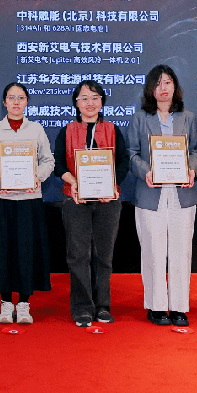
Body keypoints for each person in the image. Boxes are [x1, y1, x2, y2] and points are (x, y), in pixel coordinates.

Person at [125, 65, 197, 327]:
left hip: (182, 194)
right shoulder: (139, 118)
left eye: (167, 82)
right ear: (150, 89)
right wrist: (146, 172)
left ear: (175, 86)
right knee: (153, 252)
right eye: (157, 83)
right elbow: (131, 153)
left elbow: (195, 151)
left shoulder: (188, 117)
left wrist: (192, 170)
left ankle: (179, 307)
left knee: (181, 252)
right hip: (150, 194)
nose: (163, 88)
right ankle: (156, 306)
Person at [53, 79, 130, 327]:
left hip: (108, 201)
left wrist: (112, 184)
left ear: (102, 102)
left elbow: (123, 162)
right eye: (84, 98)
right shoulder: (66, 131)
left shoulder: (113, 130)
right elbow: (58, 164)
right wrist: (72, 181)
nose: (90, 103)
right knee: (78, 255)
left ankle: (103, 306)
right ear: (76, 103)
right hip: (75, 199)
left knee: (104, 255)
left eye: (95, 97)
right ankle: (82, 308)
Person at [0, 83, 55, 324]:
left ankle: (23, 304)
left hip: (29, 200)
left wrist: (37, 176)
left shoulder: (36, 129)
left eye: (20, 98)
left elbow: (48, 161)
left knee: (26, 251)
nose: (16, 102)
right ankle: (5, 304)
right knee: (2, 251)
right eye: (11, 98)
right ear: (4, 102)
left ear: (27, 102)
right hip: (2, 200)